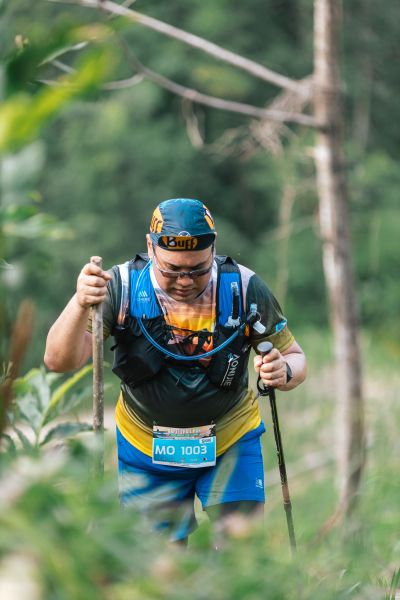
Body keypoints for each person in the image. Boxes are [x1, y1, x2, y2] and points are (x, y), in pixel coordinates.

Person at [44, 198, 306, 546]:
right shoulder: (120, 287)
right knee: (159, 566)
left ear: (213, 248)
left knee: (241, 553)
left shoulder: (243, 287)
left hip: (230, 440)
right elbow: (58, 361)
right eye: (172, 270)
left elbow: (295, 358)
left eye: (198, 269)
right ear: (150, 247)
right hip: (145, 447)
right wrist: (79, 302)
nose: (185, 281)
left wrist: (282, 371)